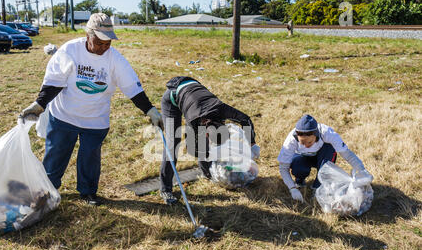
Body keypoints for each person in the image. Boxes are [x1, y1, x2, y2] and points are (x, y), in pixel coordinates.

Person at [19, 13, 163, 206]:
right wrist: (39, 104)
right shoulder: (70, 50)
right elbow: (54, 82)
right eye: (100, 42)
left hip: (95, 119)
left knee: (90, 158)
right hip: (64, 116)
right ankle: (46, 191)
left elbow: (132, 88)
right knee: (55, 157)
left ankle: (88, 192)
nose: (104, 47)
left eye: (108, 42)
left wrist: (150, 110)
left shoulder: (115, 59)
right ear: (88, 35)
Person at [159, 76, 260, 205]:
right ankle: (165, 189)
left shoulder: (222, 109)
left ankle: (207, 174)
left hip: (194, 93)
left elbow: (246, 120)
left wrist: (252, 143)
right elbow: (196, 150)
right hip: (172, 98)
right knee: (173, 144)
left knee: (203, 148)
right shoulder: (194, 120)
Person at [278, 114, 370, 202]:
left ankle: (318, 186)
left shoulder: (327, 133)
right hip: (301, 157)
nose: (306, 146)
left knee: (329, 148)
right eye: (302, 143)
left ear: (316, 134)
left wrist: (362, 170)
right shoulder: (291, 140)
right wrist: (292, 188)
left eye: (309, 142)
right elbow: (283, 167)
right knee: (299, 168)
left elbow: (347, 154)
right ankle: (300, 180)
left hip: (321, 156)